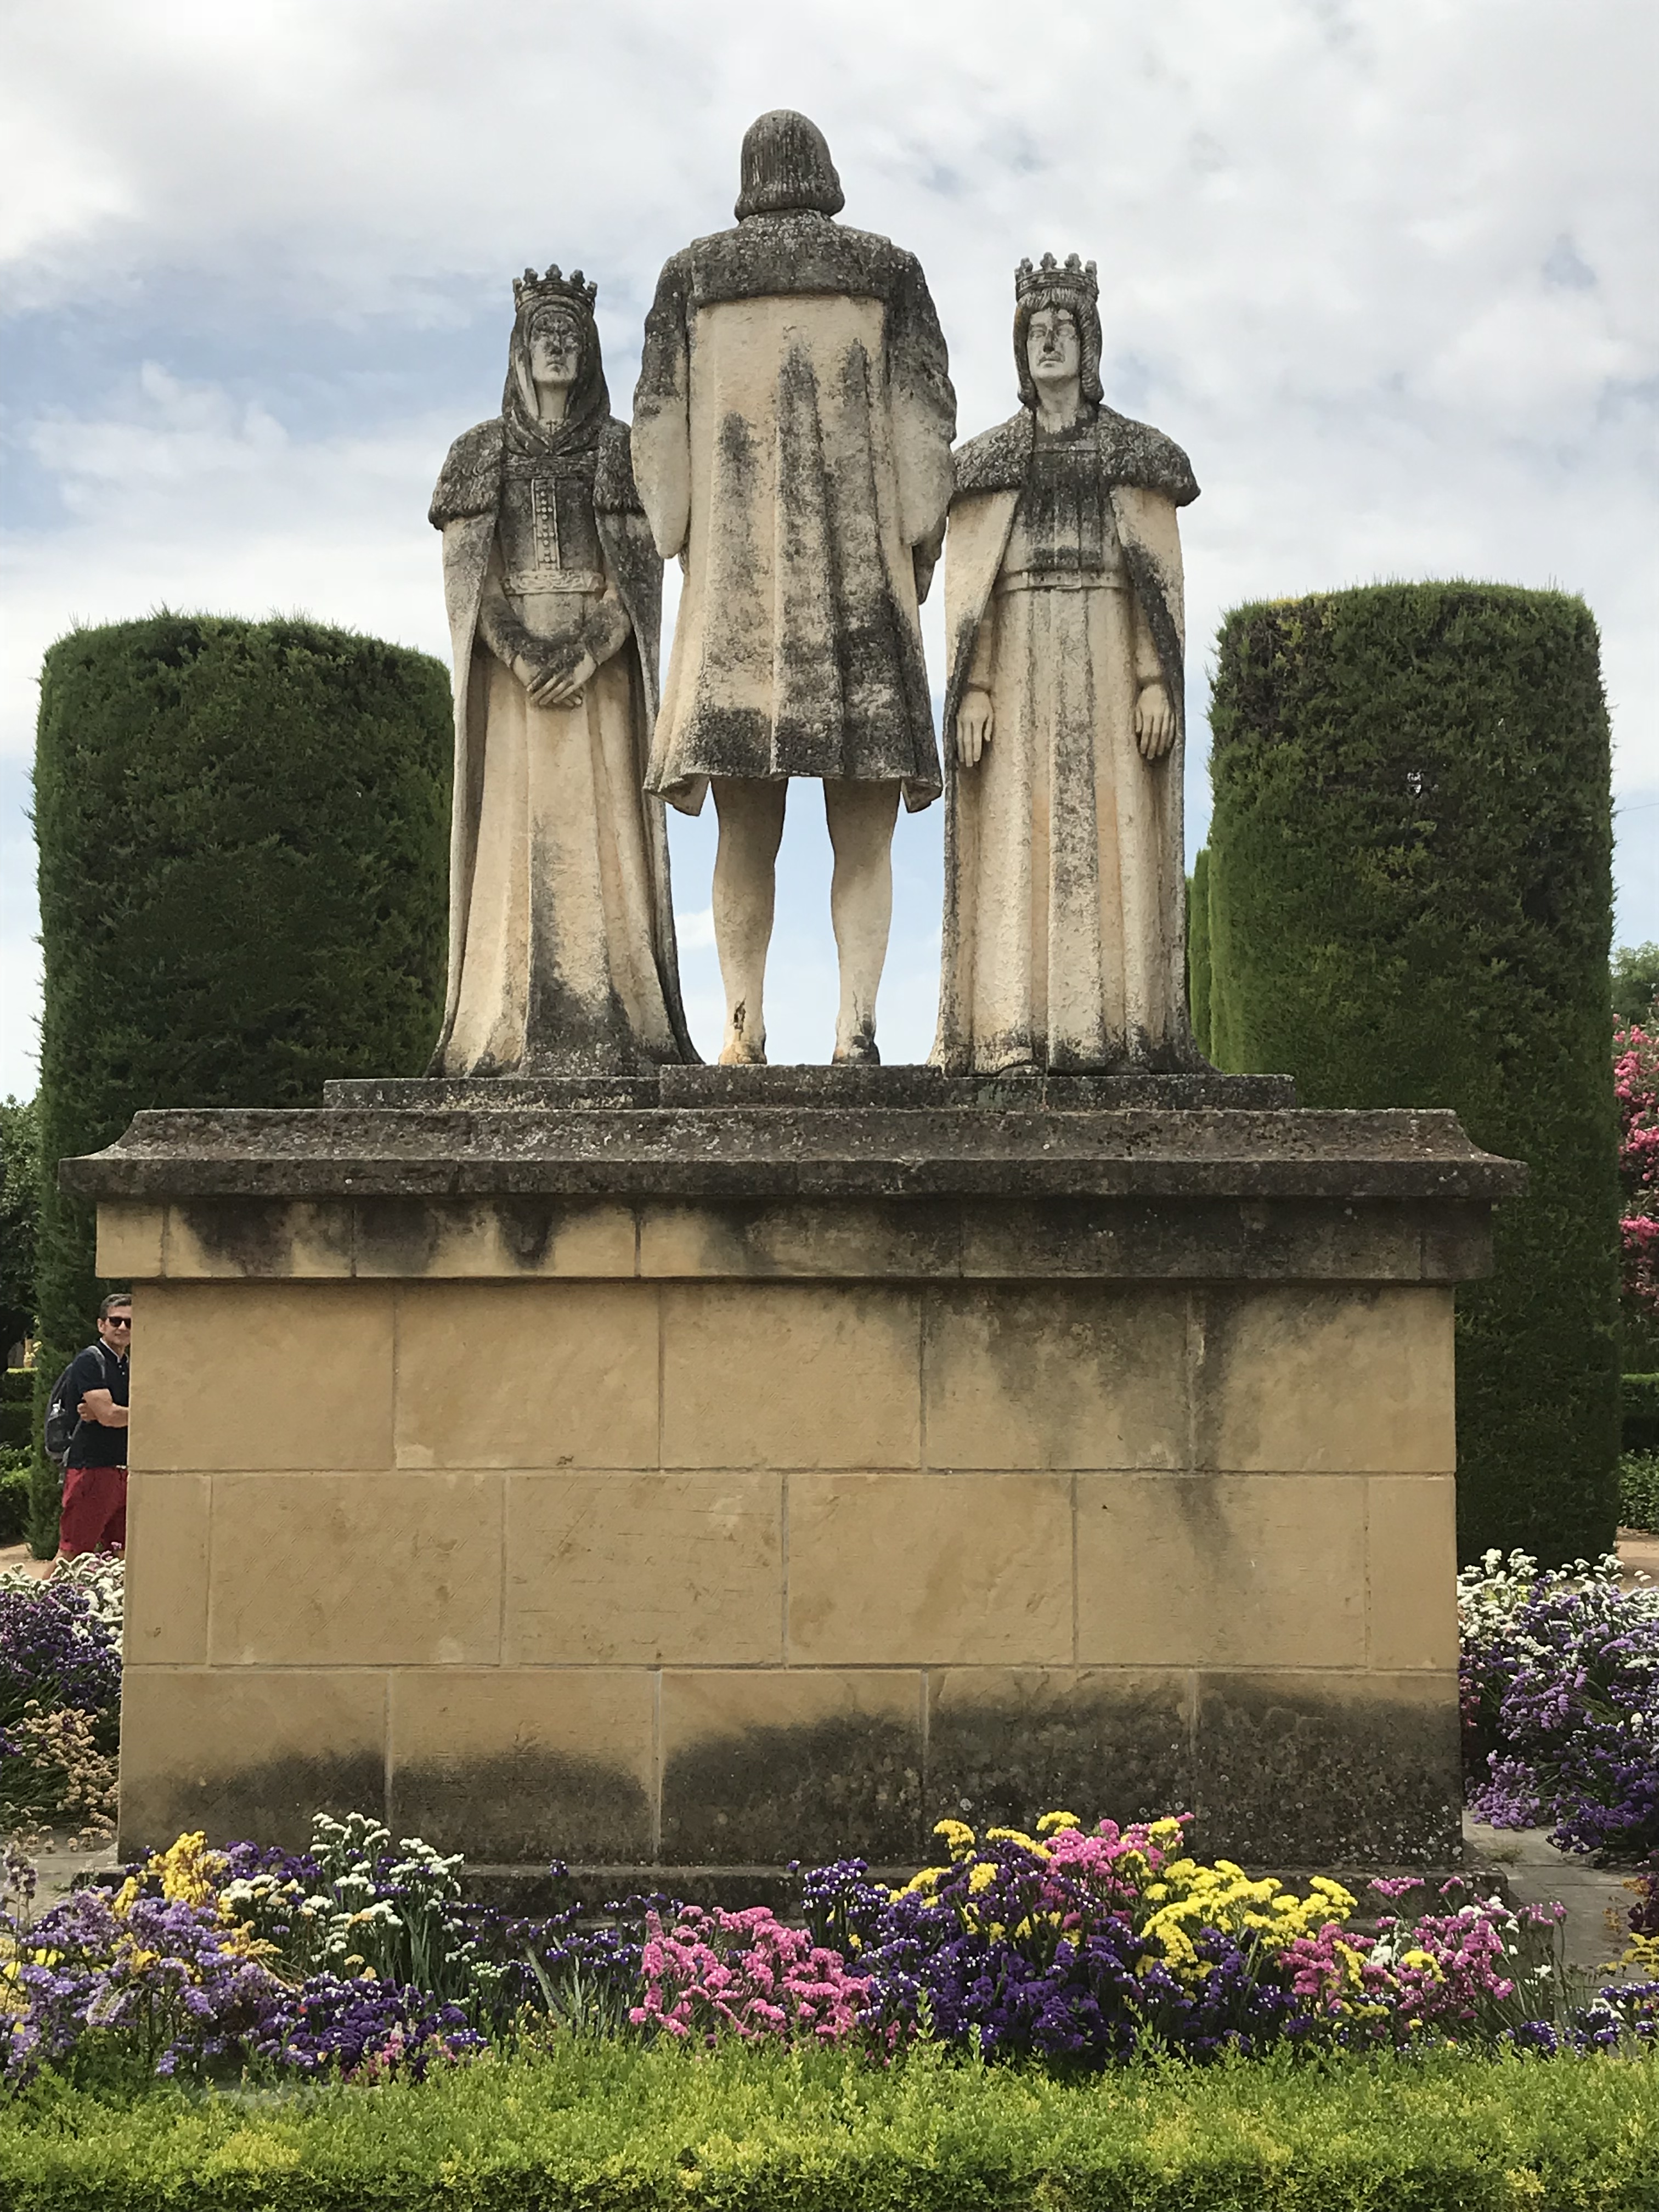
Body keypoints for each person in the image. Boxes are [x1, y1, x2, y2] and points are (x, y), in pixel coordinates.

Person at [632, 110, 957, 1064]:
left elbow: (656, 434)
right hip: (859, 593)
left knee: (744, 831)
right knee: (864, 830)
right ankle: (858, 1026)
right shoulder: (888, 272)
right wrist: (916, 549)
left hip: (735, 598)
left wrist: (681, 541)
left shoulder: (692, 278)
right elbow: (925, 427)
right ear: (825, 172)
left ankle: (743, 1024)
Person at [932, 253, 1201, 1075]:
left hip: (1109, 657)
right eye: (1036, 332)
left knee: (1115, 841)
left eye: (1063, 329)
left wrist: (1153, 678)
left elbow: (1151, 583)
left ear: (1090, 345)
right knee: (1017, 841)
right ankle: (1010, 1030)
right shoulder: (987, 466)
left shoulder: (1134, 456)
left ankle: (1121, 1031)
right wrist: (976, 686)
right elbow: (977, 588)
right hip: (1018, 666)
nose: (1048, 342)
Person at [427, 265, 695, 1076]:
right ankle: (498, 1024)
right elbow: (472, 588)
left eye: (569, 334)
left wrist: (583, 653)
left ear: (588, 351)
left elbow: (637, 582)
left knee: (609, 838)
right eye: (543, 331)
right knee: (510, 845)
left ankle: (626, 1018)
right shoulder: (478, 454)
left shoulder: (621, 453)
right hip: (514, 694)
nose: (556, 345)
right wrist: (520, 653)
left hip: (598, 684)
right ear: (519, 347)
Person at [59, 1291, 131, 1560]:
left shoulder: (128, 1365)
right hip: (91, 1469)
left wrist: (119, 1413)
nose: (122, 1327)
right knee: (73, 1554)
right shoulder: (91, 1360)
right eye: (115, 1321)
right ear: (102, 1325)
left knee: (121, 1555)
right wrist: (148, 1417)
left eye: (130, 1322)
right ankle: (39, 1592)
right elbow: (109, 1416)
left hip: (123, 1470)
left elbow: (113, 1414)